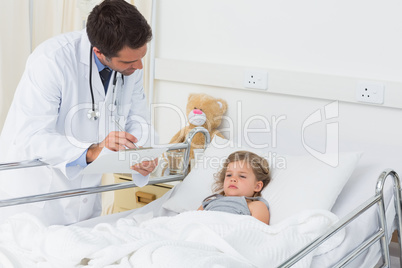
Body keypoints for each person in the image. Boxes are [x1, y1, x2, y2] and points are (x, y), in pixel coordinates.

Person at [0, 0, 157, 225]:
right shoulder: (51, 60)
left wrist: (141, 154)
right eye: (129, 61)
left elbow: (139, 119)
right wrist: (92, 151)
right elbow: (31, 136)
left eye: (141, 57)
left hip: (85, 197)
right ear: (99, 52)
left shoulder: (131, 66)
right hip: (37, 199)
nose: (139, 66)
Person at [198, 151, 271, 224]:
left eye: (242, 176)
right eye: (229, 175)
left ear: (257, 186)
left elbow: (259, 230)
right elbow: (192, 219)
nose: (232, 179)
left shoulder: (256, 206)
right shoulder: (209, 202)